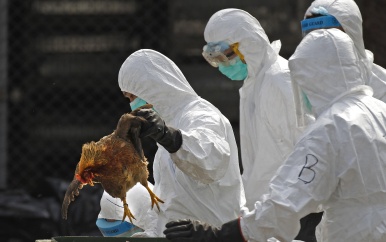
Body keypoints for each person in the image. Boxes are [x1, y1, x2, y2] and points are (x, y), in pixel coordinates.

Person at [163, 28, 386, 242]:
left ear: (313, 78)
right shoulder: (380, 111)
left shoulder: (329, 130)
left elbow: (286, 203)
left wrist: (223, 234)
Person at [202, 8, 319, 241]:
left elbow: (300, 155)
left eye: (226, 56)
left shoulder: (278, 80)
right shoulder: (255, 83)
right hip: (270, 212)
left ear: (248, 46)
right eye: (215, 59)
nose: (223, 65)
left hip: (296, 214)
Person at [117, 49, 246, 237]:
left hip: (212, 236)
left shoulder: (201, 115)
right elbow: (171, 201)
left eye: (132, 97)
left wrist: (171, 137)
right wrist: (154, 233)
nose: (133, 106)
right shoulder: (168, 131)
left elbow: (211, 159)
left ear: (152, 86)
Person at [302, 0, 386, 102]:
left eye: (332, 36)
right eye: (312, 35)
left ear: (352, 35)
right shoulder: (296, 84)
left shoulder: (381, 89)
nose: (321, 44)